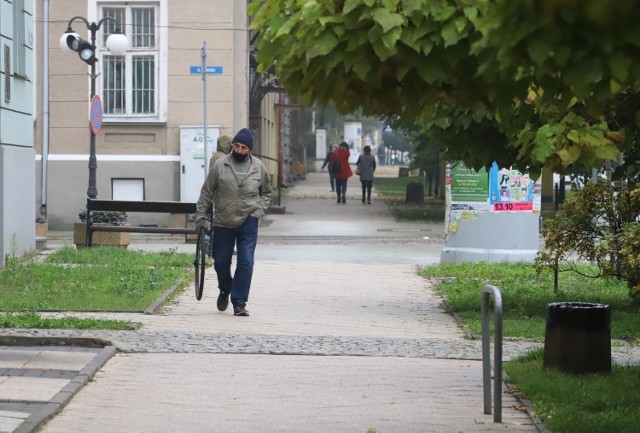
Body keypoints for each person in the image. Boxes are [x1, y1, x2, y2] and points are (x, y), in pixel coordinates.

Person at [195, 128, 273, 317]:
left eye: (243, 147)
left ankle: (239, 302)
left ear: (250, 150)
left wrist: (258, 212)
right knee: (221, 262)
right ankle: (225, 289)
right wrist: (200, 216)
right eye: (236, 146)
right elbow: (207, 192)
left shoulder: (258, 167)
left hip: (248, 220)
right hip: (223, 220)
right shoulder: (221, 165)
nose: (239, 150)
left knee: (246, 262)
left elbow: (266, 193)